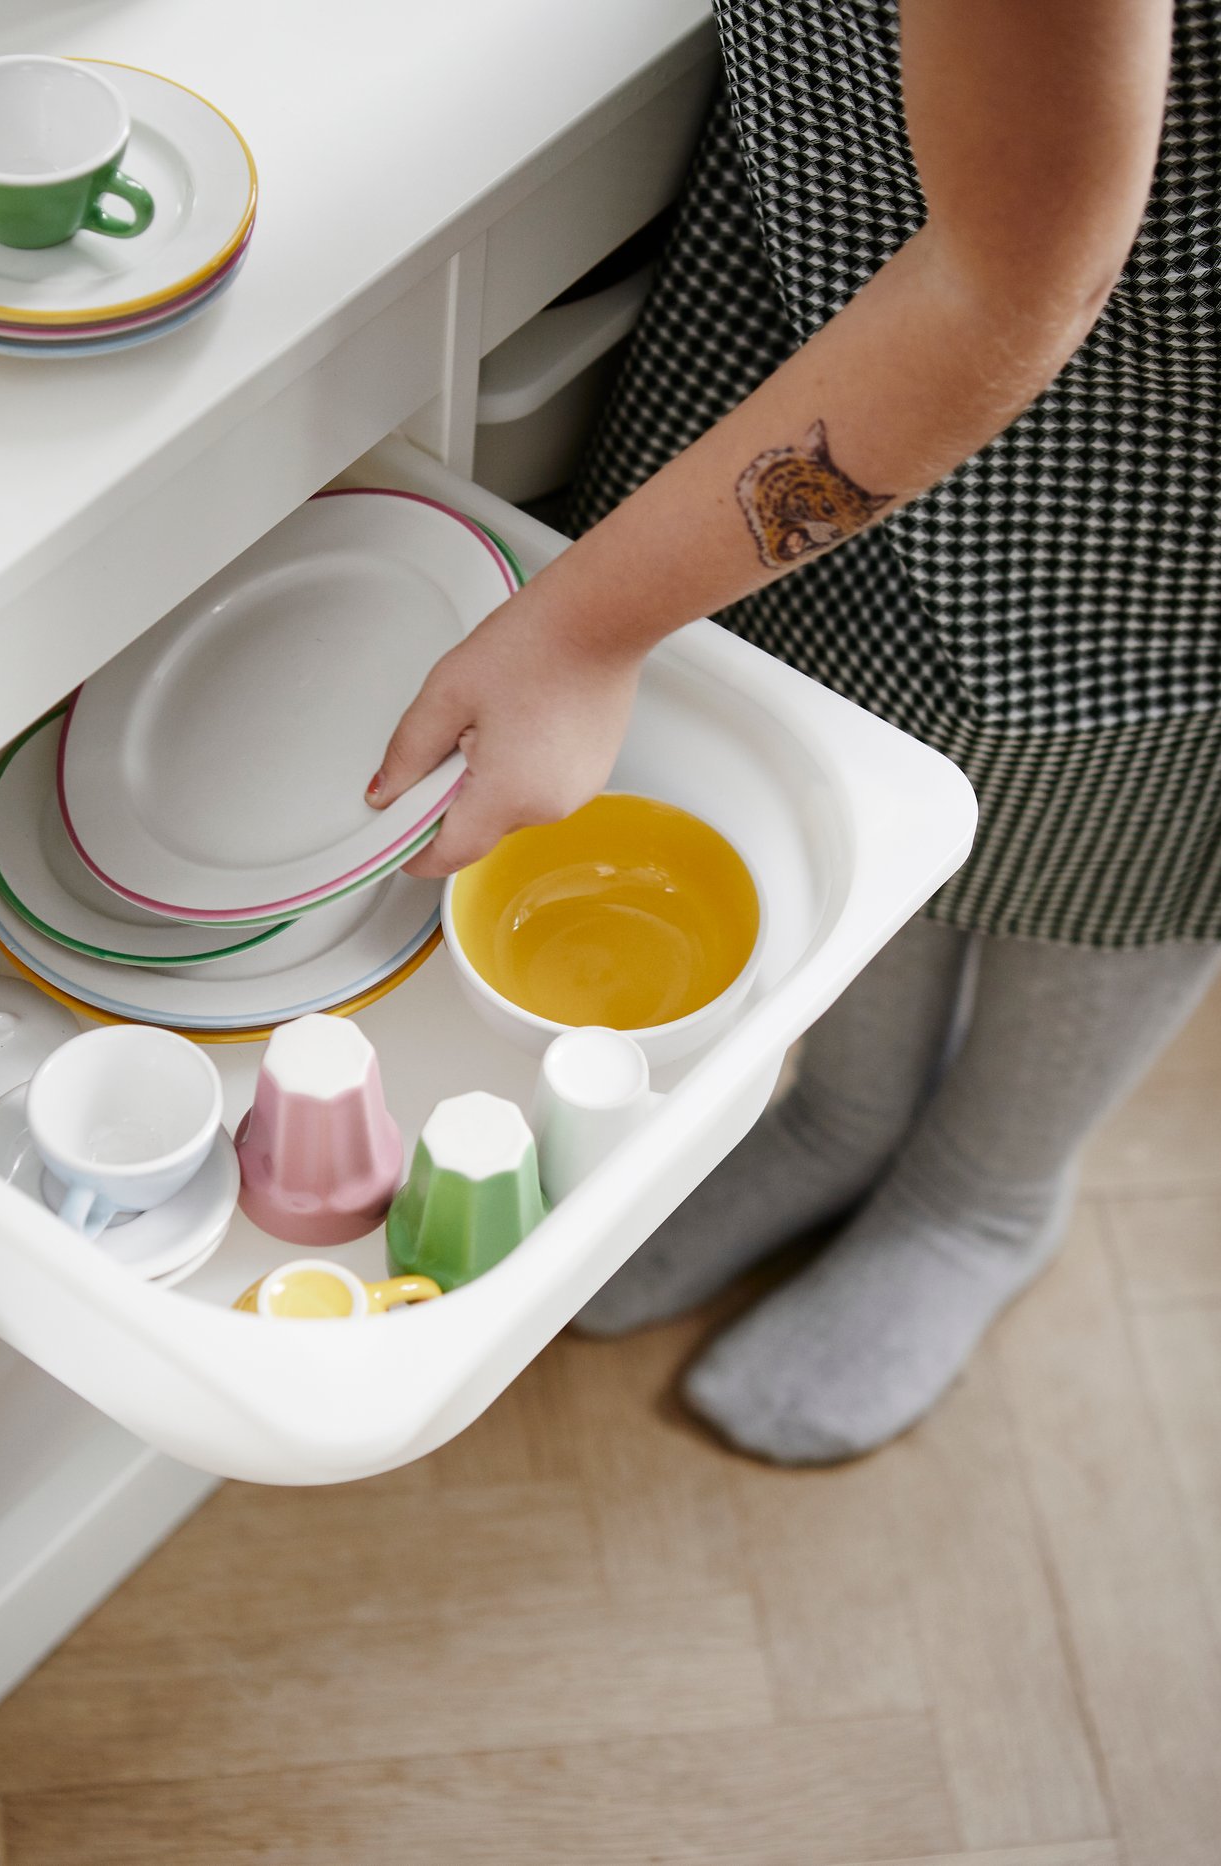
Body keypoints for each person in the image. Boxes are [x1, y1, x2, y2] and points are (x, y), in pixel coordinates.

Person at [366, 0, 1221, 1463]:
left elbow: (1012, 287)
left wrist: (582, 626)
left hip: (1151, 376)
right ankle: (847, 1109)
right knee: (844, 718)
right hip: (852, 244)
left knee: (1118, 808)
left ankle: (987, 1186)